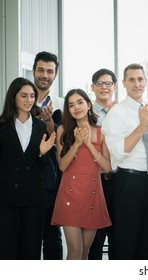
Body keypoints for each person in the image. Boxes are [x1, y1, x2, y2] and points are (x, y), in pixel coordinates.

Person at [102, 63, 148, 260]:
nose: (137, 83)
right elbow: (118, 151)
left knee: (145, 242)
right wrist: (142, 127)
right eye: (131, 79)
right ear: (123, 83)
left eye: (140, 79)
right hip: (128, 183)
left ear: (145, 82)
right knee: (126, 242)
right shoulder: (117, 113)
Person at [51, 89, 112, 260]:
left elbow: (107, 167)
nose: (76, 107)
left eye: (79, 102)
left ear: (88, 104)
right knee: (75, 251)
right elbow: (62, 166)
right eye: (71, 105)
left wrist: (90, 145)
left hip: (92, 195)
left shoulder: (101, 132)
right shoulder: (63, 130)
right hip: (69, 194)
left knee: (85, 251)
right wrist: (77, 144)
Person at [0, 77, 56, 259]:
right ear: (13, 98)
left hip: (34, 196)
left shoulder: (40, 126)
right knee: (7, 249)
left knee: (31, 250)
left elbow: (42, 165)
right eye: (23, 96)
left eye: (32, 96)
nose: (29, 100)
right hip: (7, 197)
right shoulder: (2, 126)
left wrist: (42, 154)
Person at [32, 51, 64, 260]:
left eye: (50, 71)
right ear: (34, 71)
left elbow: (66, 145)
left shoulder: (63, 105)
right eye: (41, 70)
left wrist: (51, 125)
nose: (45, 75)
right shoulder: (20, 99)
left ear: (55, 74)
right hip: (23, 178)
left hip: (52, 181)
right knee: (27, 236)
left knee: (52, 236)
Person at [88, 68, 118, 260]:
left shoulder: (122, 112)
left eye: (108, 83)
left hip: (118, 180)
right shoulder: (86, 113)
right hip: (94, 181)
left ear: (115, 87)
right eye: (100, 83)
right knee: (95, 239)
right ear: (93, 87)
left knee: (118, 237)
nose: (104, 87)